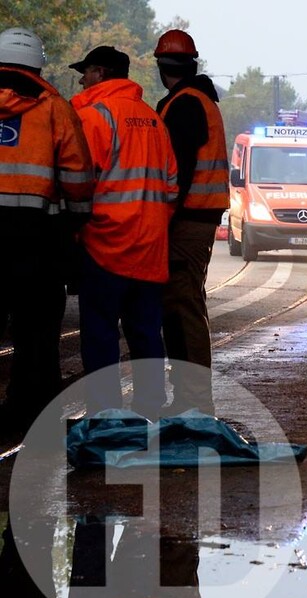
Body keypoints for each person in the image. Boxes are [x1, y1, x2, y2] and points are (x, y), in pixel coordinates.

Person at [69, 46, 178, 419]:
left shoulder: (92, 117)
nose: (82, 80)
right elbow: (172, 187)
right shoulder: (153, 120)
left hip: (105, 245)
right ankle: (149, 410)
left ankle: (105, 415)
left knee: (100, 334)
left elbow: (79, 182)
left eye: (85, 72)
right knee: (146, 332)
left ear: (99, 72)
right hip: (149, 247)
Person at [0, 28, 94, 437]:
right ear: (38, 62)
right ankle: (31, 419)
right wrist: (75, 220)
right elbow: (77, 177)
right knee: (36, 334)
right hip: (36, 242)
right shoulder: (55, 108)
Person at [154, 29, 230, 416]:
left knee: (184, 308)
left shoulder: (184, 105)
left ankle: (194, 403)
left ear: (161, 66)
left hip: (187, 219)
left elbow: (177, 171)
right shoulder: (197, 100)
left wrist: (162, 219)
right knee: (182, 305)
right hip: (198, 216)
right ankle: (189, 399)